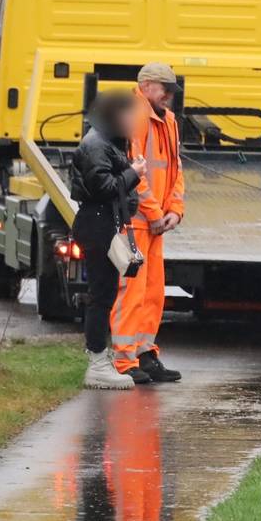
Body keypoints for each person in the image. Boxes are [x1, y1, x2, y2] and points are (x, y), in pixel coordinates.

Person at [111, 61, 186, 384]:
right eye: (164, 89)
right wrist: (157, 213)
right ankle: (124, 361)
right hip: (135, 223)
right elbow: (134, 172)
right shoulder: (134, 116)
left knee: (153, 292)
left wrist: (175, 209)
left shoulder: (167, 120)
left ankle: (144, 354)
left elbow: (175, 167)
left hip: (154, 224)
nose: (169, 96)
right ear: (145, 86)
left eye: (171, 90)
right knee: (131, 292)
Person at [70, 91, 146, 390]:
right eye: (129, 116)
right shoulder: (96, 145)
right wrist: (134, 173)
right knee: (101, 296)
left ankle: (103, 357)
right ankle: (98, 363)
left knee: (106, 294)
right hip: (98, 226)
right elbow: (103, 186)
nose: (133, 122)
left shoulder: (106, 142)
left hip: (105, 225)